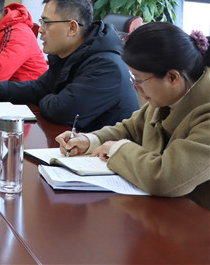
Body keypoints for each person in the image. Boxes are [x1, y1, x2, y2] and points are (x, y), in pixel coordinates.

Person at [55, 23, 210, 209]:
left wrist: (117, 149)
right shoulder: (167, 97)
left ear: (172, 78)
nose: (135, 87)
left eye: (139, 79)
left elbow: (166, 177)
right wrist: (90, 140)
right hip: (164, 210)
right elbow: (131, 129)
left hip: (196, 219)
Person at [0, 0, 139, 132]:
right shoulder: (68, 53)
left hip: (104, 158)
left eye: (46, 23)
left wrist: (47, 97)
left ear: (72, 28)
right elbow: (38, 88)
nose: (40, 30)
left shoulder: (106, 66)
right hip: (72, 145)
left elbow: (63, 111)